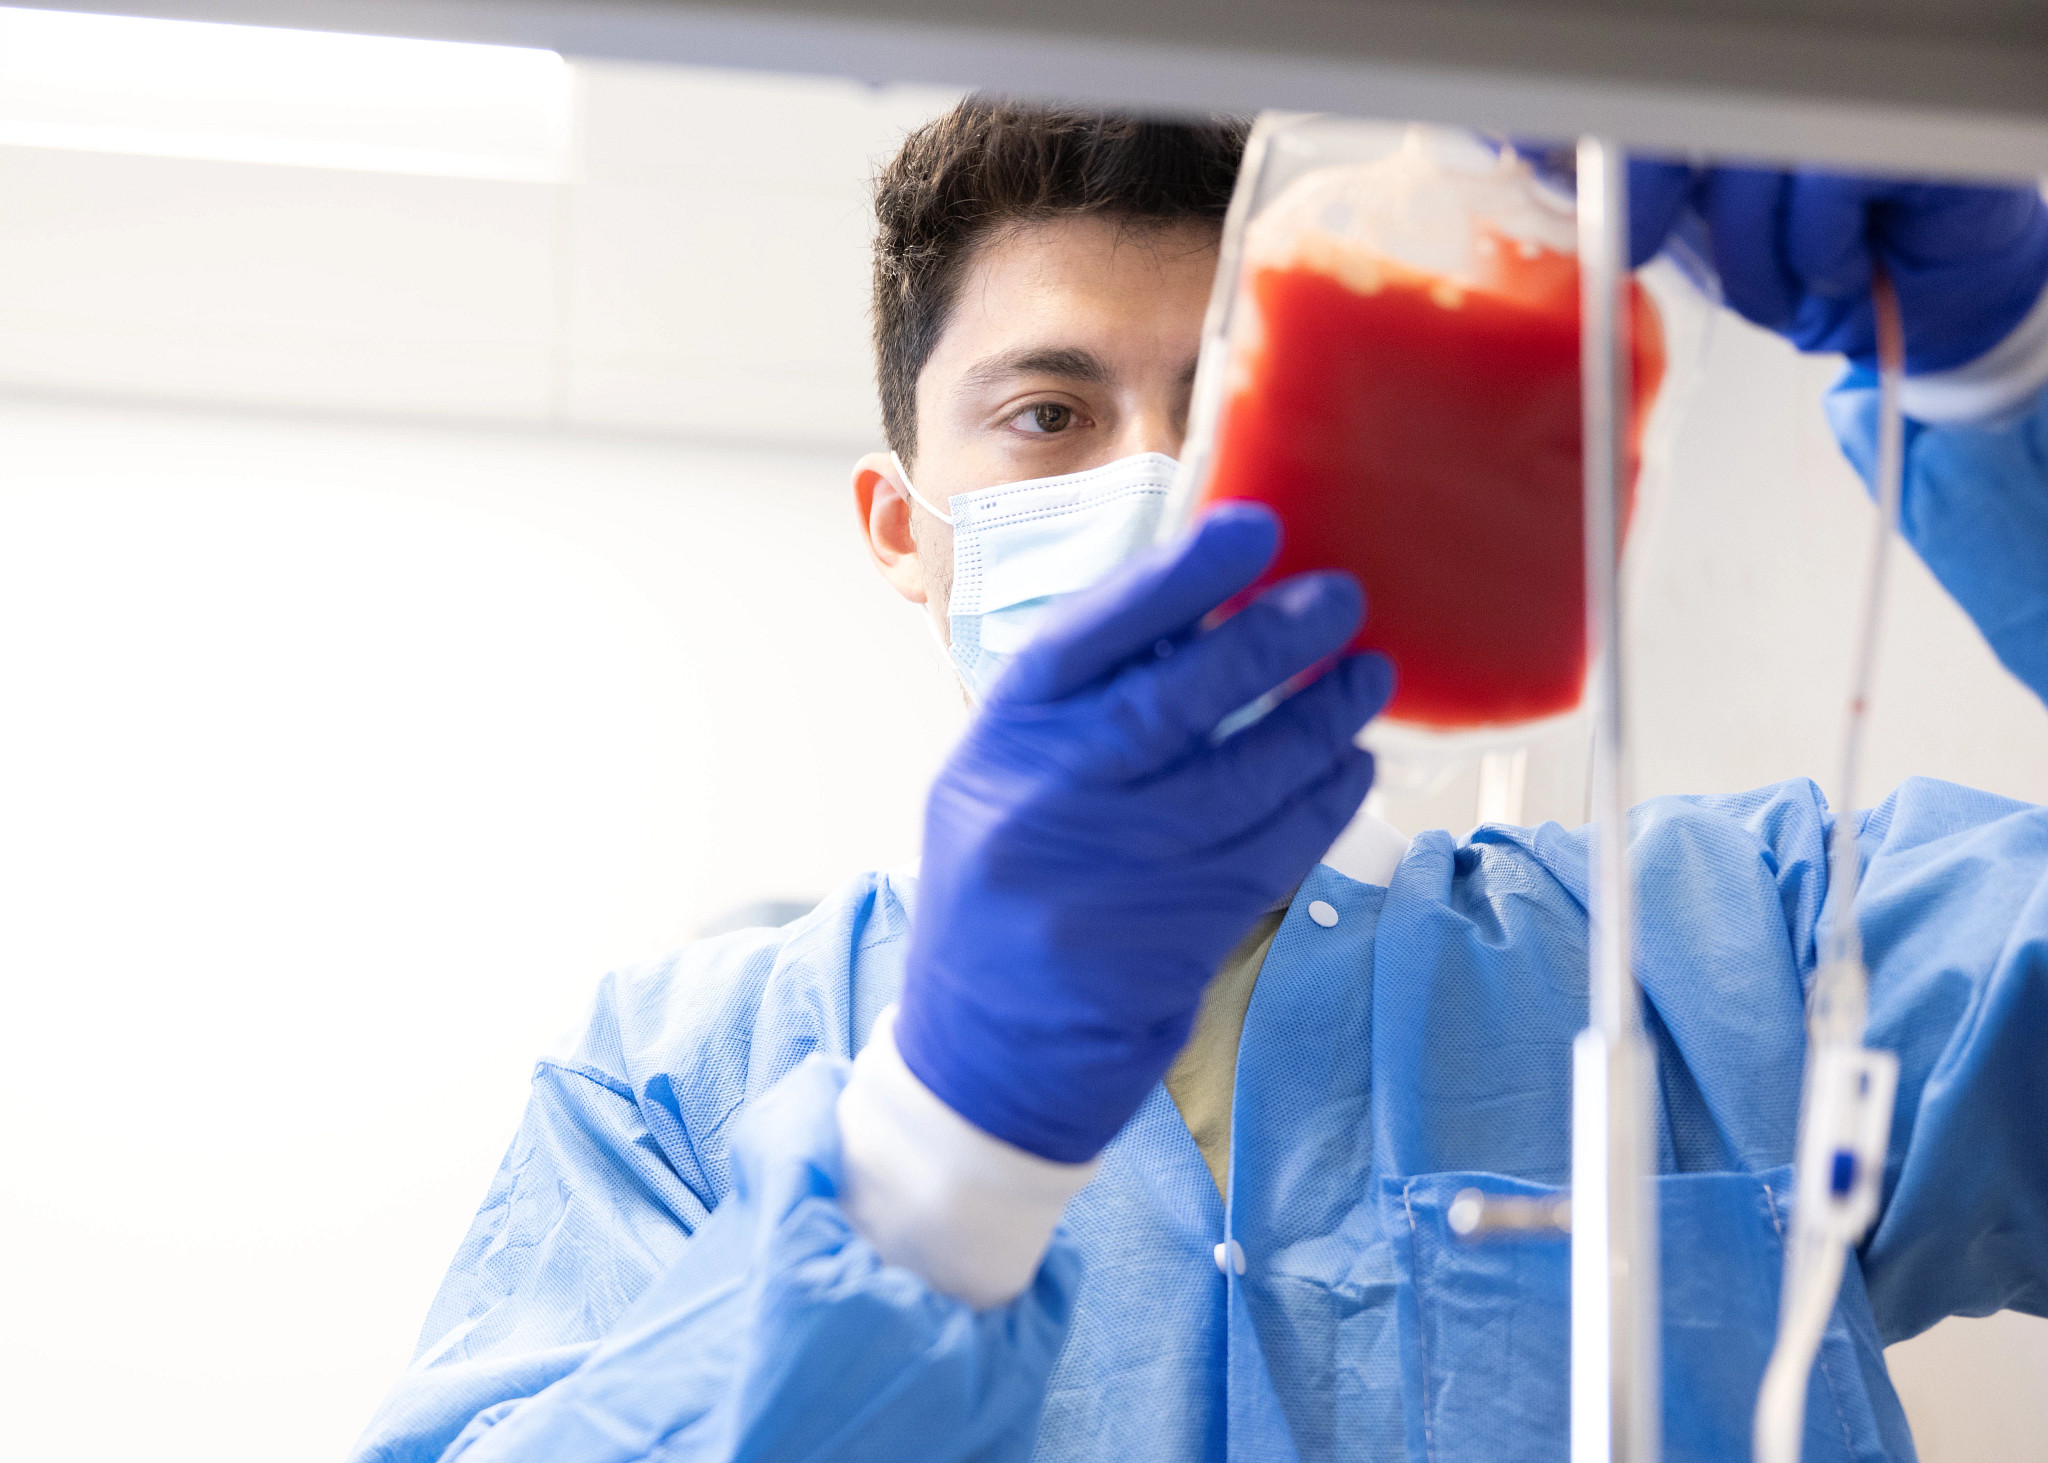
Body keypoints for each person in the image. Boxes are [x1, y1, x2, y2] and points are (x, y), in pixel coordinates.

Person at [348, 102, 2048, 1463]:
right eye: (1046, 415)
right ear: (901, 530)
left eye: (1224, 404)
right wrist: (937, 1149)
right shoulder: (671, 1088)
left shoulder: (1742, 947)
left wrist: (2010, 379)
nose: (1160, 487)